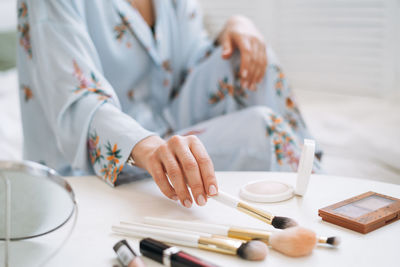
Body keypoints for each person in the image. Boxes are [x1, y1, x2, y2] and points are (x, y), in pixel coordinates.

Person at [17, 0, 320, 209]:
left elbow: (188, 65)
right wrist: (148, 147)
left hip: (167, 127)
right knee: (261, 129)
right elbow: (79, 100)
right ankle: (321, 199)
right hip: (96, 163)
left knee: (249, 54)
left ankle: (323, 182)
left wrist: (235, 27)